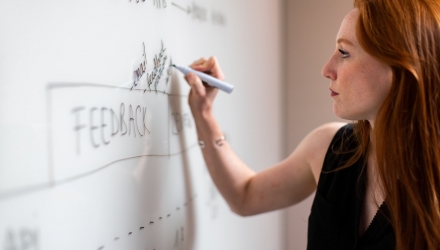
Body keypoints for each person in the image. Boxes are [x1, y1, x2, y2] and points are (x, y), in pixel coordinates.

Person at [183, 0, 440, 249]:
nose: (327, 69)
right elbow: (244, 196)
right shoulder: (331, 148)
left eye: (344, 52)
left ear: (400, 67)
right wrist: (204, 114)